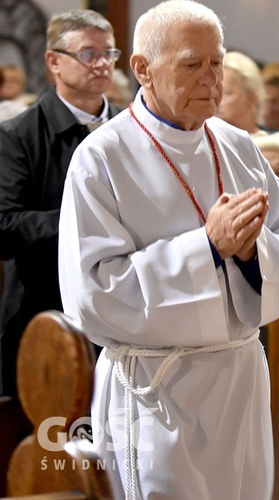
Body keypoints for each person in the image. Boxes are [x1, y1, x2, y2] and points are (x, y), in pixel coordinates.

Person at [57, 1, 279, 498]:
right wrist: (207, 246)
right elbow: (93, 292)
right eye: (190, 64)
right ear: (142, 69)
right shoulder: (102, 157)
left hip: (239, 379)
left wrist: (251, 254)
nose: (210, 79)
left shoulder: (237, 145)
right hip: (158, 393)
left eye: (216, 63)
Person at [0, 9, 122, 396]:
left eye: (109, 53)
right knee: (47, 449)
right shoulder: (17, 136)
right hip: (43, 311)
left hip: (122, 313)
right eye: (89, 54)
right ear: (54, 61)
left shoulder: (132, 128)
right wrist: (84, 222)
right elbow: (4, 227)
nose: (102, 63)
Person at [216, 50, 269, 136]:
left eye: (225, 94)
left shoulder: (278, 146)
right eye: (213, 94)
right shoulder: (202, 144)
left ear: (252, 98)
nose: (216, 102)